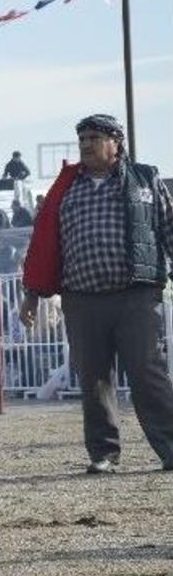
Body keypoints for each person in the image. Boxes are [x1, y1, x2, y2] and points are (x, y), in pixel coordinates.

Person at [20, 113, 173, 475]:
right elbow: (44, 243)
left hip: (136, 294)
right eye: (82, 139)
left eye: (94, 138)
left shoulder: (146, 178)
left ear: (116, 142)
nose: (86, 145)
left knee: (148, 374)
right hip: (82, 297)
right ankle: (104, 454)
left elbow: (169, 227)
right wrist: (32, 294)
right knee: (94, 379)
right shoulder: (65, 187)